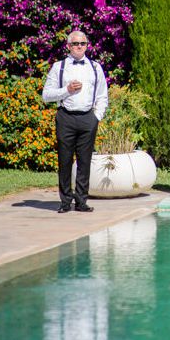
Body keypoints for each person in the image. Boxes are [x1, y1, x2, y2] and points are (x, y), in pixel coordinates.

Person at [42, 30, 108, 213]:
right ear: (68, 46)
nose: (80, 46)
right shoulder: (59, 67)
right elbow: (46, 95)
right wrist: (66, 90)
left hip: (88, 118)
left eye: (83, 43)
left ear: (87, 45)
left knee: (85, 162)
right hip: (66, 118)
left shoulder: (95, 67)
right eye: (76, 44)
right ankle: (65, 202)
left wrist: (97, 117)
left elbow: (103, 95)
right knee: (64, 161)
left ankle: (81, 201)